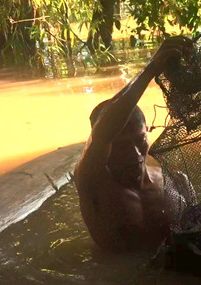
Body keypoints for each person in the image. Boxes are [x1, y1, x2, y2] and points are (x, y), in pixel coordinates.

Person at [74, 36, 193, 253]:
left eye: (139, 141)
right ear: (104, 146)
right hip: (117, 284)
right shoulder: (92, 183)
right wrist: (149, 70)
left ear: (148, 133)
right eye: (120, 145)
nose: (134, 153)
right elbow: (103, 133)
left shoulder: (176, 181)